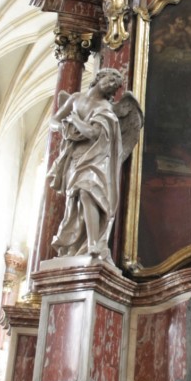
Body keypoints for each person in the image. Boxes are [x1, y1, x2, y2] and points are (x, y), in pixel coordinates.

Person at [47, 68, 143, 264]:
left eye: (115, 86)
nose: (111, 85)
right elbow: (54, 121)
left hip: (97, 158)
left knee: (87, 191)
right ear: (99, 77)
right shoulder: (75, 98)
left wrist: (75, 120)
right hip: (76, 156)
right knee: (75, 199)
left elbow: (91, 133)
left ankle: (93, 243)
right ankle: (76, 245)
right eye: (109, 80)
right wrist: (65, 126)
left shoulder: (105, 109)